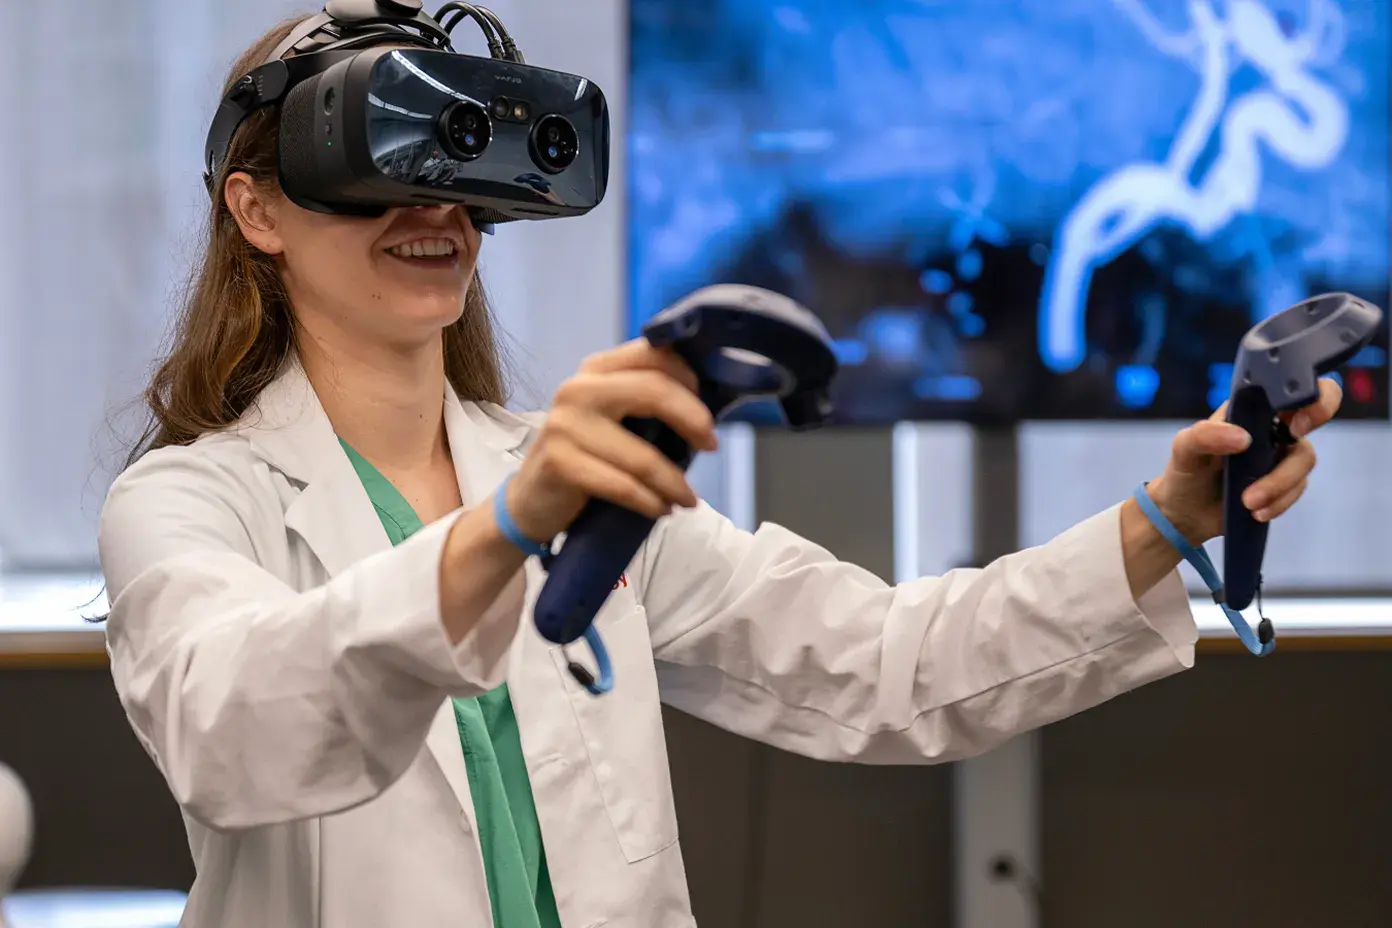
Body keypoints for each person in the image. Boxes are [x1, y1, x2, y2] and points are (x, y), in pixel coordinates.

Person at [97, 16, 1342, 928]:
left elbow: (886, 666)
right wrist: (511, 527)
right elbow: (234, 730)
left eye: (457, 168)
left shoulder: (571, 475)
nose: (432, 209)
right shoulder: (190, 502)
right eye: (378, 167)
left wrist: (1166, 517)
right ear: (259, 211)